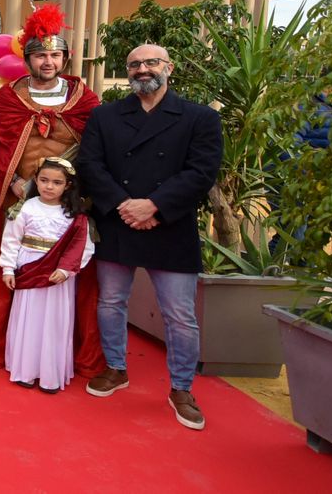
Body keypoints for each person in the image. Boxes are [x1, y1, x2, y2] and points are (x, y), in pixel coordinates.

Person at [78, 43, 222, 430]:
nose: (143, 69)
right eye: (134, 64)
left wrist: (154, 206)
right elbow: (90, 165)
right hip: (117, 221)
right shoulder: (105, 116)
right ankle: (115, 367)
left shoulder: (200, 118)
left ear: (169, 67)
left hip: (170, 225)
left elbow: (201, 172)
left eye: (151, 62)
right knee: (110, 302)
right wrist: (125, 205)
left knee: (180, 316)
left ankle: (181, 388)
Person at [0, 5, 103, 375]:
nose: (48, 60)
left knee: (74, 277)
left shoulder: (85, 100)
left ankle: (73, 354)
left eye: (55, 54)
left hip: (69, 208)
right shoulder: (8, 99)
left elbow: (96, 150)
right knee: (5, 271)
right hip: (18, 202)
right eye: (41, 54)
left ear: (64, 57)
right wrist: (10, 181)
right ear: (27, 58)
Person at [0, 157, 94, 393]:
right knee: (29, 320)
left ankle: (50, 373)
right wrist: (8, 268)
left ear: (68, 185)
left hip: (57, 277)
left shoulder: (74, 214)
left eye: (56, 182)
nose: (49, 186)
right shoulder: (25, 207)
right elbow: (11, 239)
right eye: (44, 180)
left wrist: (65, 270)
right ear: (35, 180)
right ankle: (26, 369)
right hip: (30, 270)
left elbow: (83, 246)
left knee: (53, 322)